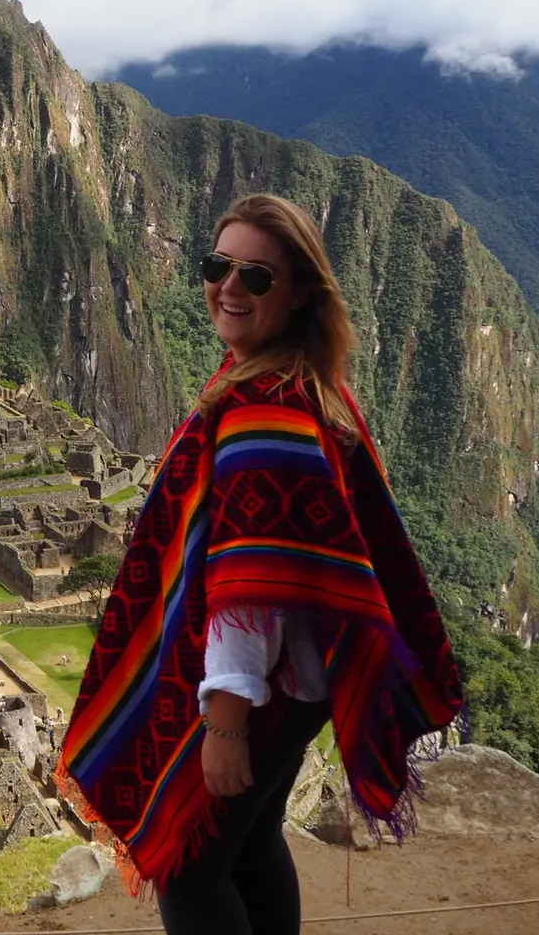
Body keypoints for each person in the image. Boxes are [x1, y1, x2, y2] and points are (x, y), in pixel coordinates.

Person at [57, 194, 463, 935]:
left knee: (188, 865)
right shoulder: (301, 383)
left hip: (260, 688)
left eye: (258, 277)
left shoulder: (261, 409)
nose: (230, 288)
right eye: (219, 267)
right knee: (247, 843)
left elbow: (251, 585)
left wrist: (227, 721)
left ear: (302, 293)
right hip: (302, 682)